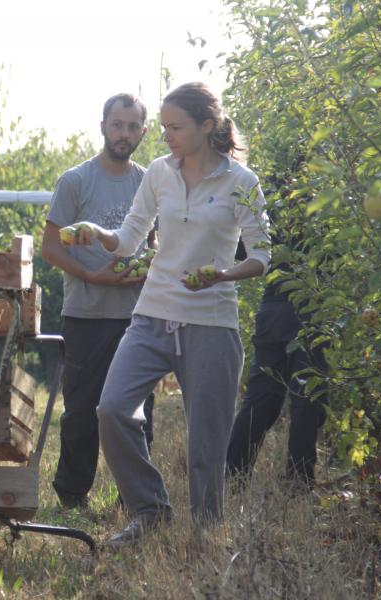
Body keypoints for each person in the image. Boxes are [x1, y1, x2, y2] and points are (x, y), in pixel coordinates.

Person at [66, 82, 271, 547]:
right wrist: (97, 232)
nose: (167, 137)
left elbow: (262, 256)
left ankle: (205, 532)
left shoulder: (242, 183)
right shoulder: (158, 172)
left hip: (212, 324)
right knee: (112, 409)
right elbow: (130, 238)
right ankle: (150, 510)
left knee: (206, 443)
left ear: (206, 125)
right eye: (163, 128)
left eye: (175, 127)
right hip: (152, 314)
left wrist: (222, 274)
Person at [41, 93, 157, 510]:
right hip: (86, 313)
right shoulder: (76, 181)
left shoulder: (149, 181)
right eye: (117, 125)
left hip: (138, 317)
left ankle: (137, 497)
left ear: (143, 132)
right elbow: (51, 248)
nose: (123, 133)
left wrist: (145, 269)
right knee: (81, 411)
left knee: (138, 411)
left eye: (132, 127)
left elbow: (156, 245)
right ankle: (73, 497)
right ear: (103, 126)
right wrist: (93, 275)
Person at [226, 209, 329, 490]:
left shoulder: (272, 204)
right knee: (307, 399)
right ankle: (299, 482)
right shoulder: (325, 208)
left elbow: (241, 249)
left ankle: (232, 474)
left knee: (261, 399)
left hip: (271, 310)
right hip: (310, 309)